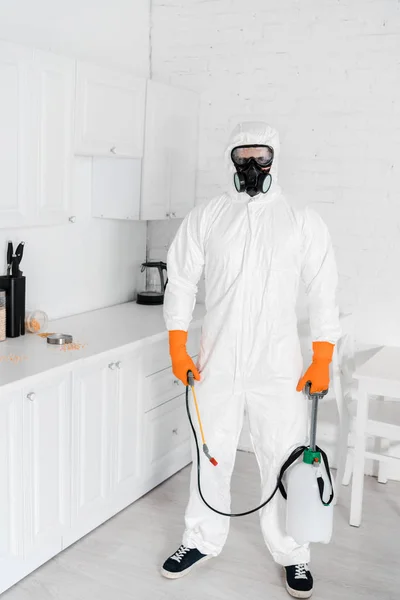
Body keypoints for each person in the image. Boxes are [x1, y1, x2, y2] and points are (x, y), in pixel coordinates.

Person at [161, 121, 341, 598]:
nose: (253, 166)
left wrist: (322, 354)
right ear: (232, 160)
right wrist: (178, 345)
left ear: (274, 159)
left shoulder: (301, 218)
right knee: (210, 452)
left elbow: (323, 289)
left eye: (261, 157)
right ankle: (199, 539)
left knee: (282, 459)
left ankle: (293, 553)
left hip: (278, 366)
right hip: (215, 359)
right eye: (244, 157)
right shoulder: (208, 216)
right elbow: (180, 280)